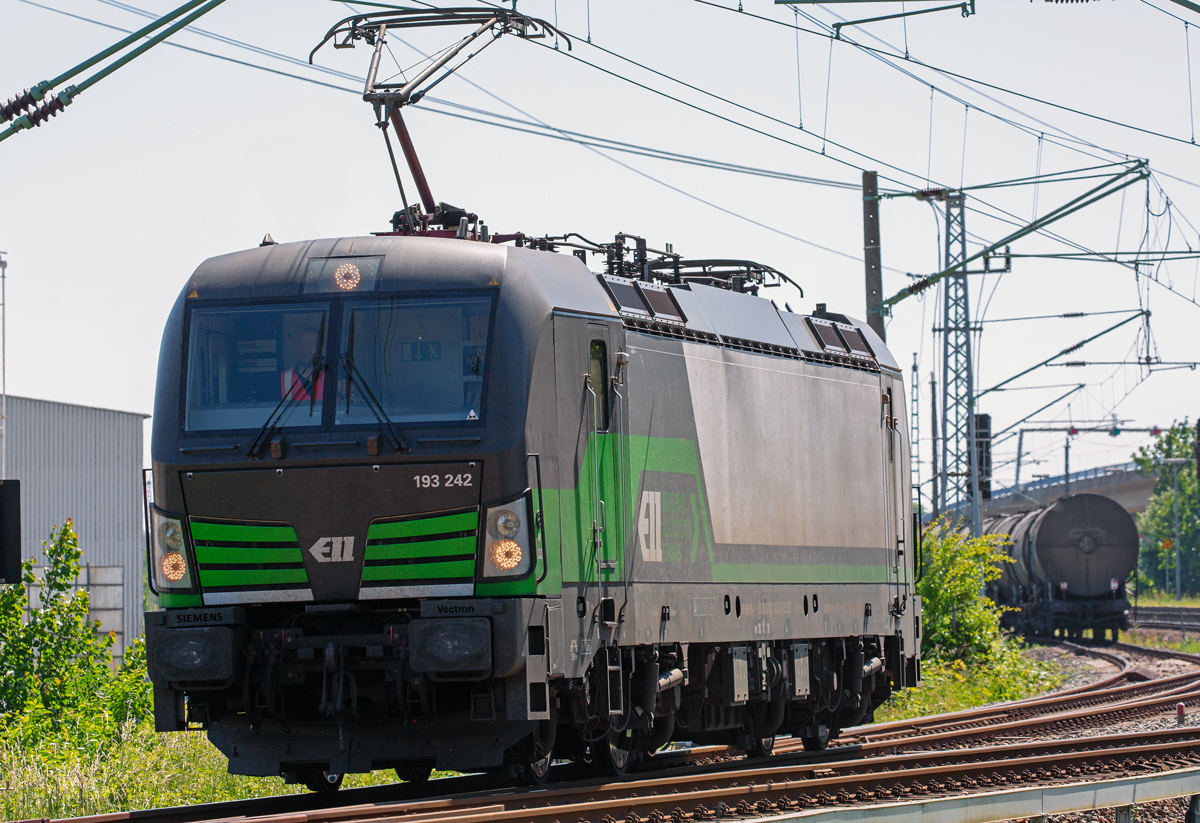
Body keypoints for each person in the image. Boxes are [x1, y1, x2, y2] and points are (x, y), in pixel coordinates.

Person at [281, 326, 325, 402]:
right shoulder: (283, 378)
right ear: (297, 346)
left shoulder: (334, 376)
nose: (306, 348)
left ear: (322, 348)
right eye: (302, 343)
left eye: (312, 344)